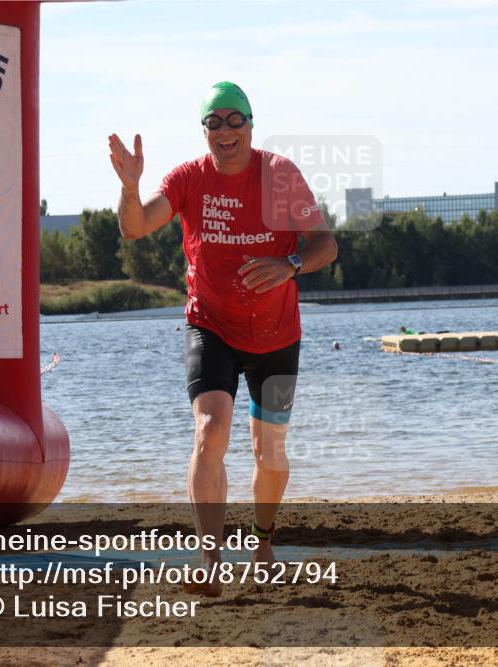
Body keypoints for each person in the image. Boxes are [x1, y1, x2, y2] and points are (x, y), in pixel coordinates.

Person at [109, 81, 338, 596]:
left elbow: (325, 245)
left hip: (278, 335)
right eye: (215, 122)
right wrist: (130, 187)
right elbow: (137, 226)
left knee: (270, 452)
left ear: (251, 126)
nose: (226, 131)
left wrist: (290, 265)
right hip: (210, 325)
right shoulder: (190, 178)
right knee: (211, 429)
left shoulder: (279, 176)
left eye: (236, 120)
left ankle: (263, 544)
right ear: (205, 131)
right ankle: (209, 559)